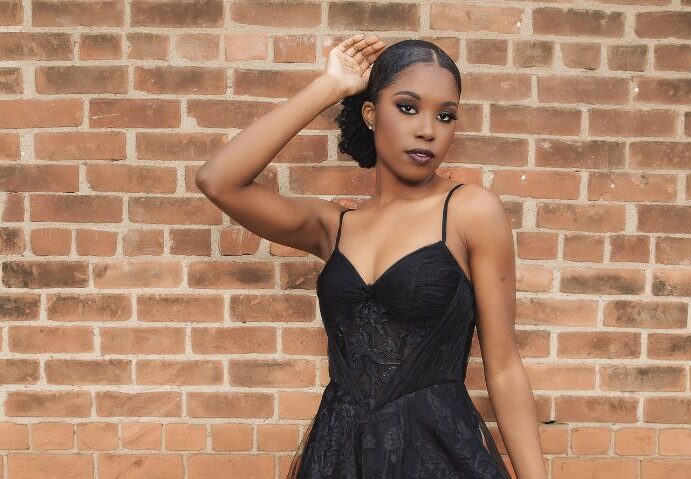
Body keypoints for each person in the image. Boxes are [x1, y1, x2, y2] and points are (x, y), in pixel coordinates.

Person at [195, 33, 547, 479]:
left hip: (436, 457)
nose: (427, 129)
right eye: (407, 107)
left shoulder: (470, 211)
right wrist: (330, 84)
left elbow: (503, 367)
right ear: (369, 113)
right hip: (339, 456)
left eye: (445, 115)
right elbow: (218, 180)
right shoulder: (334, 227)